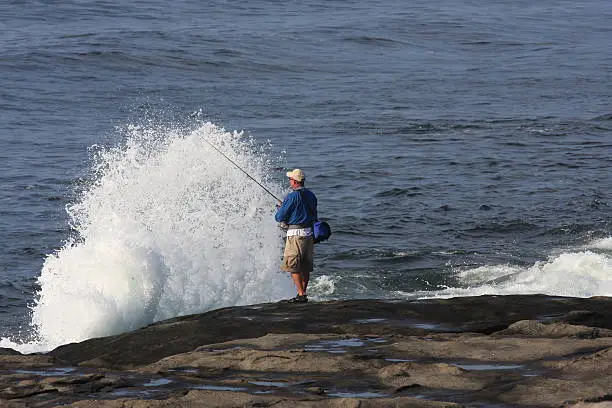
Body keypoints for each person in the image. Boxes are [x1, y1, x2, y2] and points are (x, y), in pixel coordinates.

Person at [275, 168, 317, 303]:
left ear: (294, 181)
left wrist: (282, 207)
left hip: (296, 235)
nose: (289, 181)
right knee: (305, 266)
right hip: (309, 234)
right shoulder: (311, 195)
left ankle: (301, 294)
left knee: (293, 266)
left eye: (290, 179)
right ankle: (303, 293)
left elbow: (279, 216)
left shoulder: (292, 196)